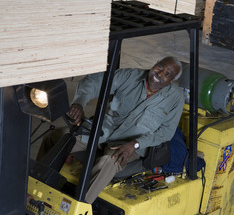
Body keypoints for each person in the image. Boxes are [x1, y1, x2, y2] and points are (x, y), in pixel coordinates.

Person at [37, 56, 184, 203]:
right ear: (155, 63)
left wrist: (135, 144)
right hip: (102, 132)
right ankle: (37, 185)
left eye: (167, 74)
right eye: (160, 67)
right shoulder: (130, 76)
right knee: (57, 136)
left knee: (108, 161)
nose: (160, 74)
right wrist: (80, 103)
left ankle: (80, 206)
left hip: (130, 144)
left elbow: (165, 133)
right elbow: (94, 81)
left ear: (171, 81)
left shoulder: (175, 98)